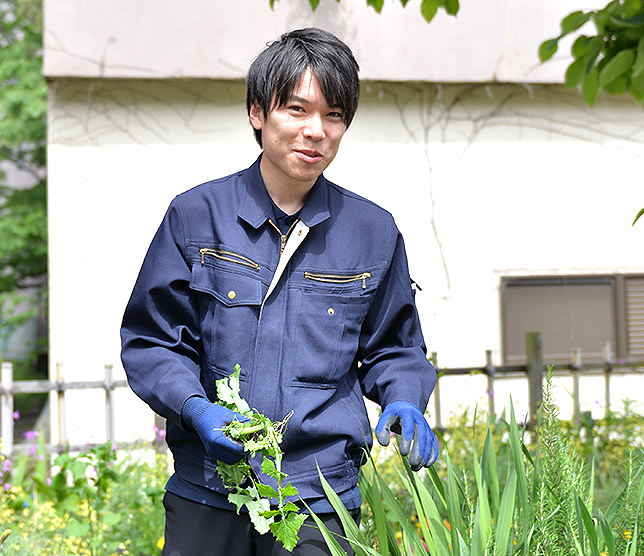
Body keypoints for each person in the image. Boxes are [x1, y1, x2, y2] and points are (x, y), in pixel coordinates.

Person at [120, 27, 438, 556]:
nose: (316, 131)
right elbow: (153, 341)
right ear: (256, 113)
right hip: (209, 489)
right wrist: (196, 408)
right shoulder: (196, 216)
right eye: (296, 110)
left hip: (320, 497)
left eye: (334, 116)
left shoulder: (372, 231)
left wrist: (403, 397)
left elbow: (395, 346)